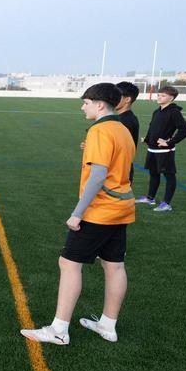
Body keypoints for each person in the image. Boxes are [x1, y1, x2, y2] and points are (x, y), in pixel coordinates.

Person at [21, 83, 135, 346]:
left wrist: (78, 213)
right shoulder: (122, 129)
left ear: (100, 104)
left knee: (69, 263)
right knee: (114, 265)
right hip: (122, 207)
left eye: (86, 103)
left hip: (100, 210)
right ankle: (108, 325)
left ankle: (59, 330)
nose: (83, 107)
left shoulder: (99, 130)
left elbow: (98, 175)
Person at [137, 85, 186, 212]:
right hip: (152, 149)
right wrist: (147, 139)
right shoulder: (156, 112)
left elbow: (185, 130)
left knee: (169, 176)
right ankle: (150, 198)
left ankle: (166, 204)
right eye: (159, 95)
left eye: (163, 96)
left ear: (171, 98)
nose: (159, 97)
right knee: (153, 174)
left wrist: (170, 142)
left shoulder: (174, 112)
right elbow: (152, 128)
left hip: (165, 151)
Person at [115, 81, 141, 183]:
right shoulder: (122, 118)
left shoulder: (126, 121)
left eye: (116, 95)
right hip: (119, 169)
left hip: (120, 171)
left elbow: (119, 149)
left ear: (127, 99)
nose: (111, 98)